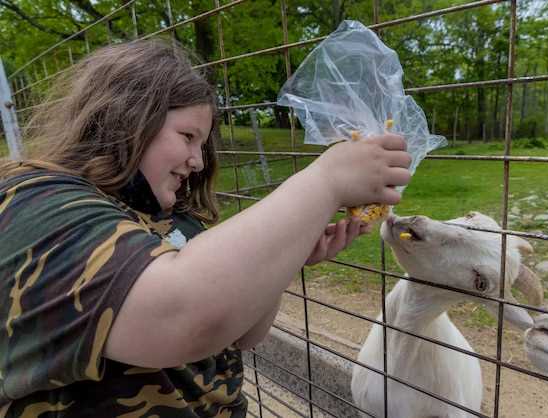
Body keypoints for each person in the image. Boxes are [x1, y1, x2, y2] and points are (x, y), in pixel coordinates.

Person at [0, 39, 411, 417]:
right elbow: (181, 317)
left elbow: (243, 334)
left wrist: (288, 256)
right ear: (126, 119)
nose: (197, 161)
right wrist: (327, 180)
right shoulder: (35, 201)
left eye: (203, 144)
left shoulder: (176, 218)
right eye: (187, 136)